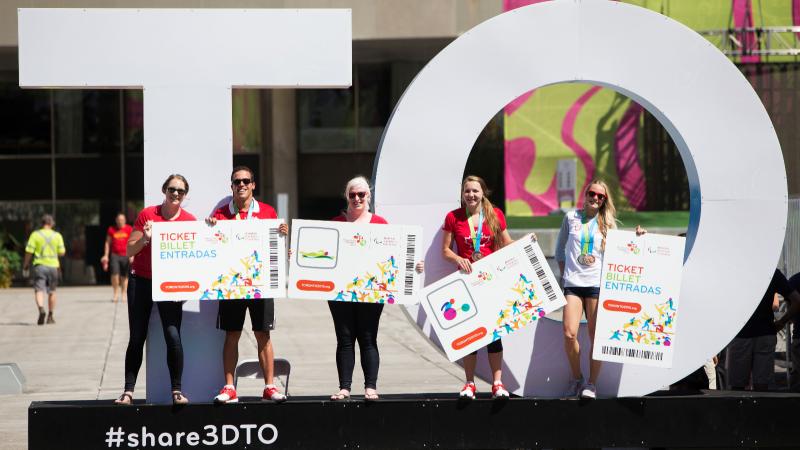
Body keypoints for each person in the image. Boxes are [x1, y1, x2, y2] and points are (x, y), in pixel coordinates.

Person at [328, 175, 424, 401]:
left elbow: (395, 258)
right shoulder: (336, 223)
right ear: (346, 197)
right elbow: (322, 254)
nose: (357, 198)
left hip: (371, 294)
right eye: (352, 195)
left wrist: (414, 265)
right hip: (340, 294)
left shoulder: (380, 224)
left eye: (361, 194)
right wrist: (299, 256)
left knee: (368, 339)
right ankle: (344, 388)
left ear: (368, 196)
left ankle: (370, 387)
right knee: (344, 340)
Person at [555, 180, 644, 399]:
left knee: (597, 338)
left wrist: (638, 237)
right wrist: (566, 275)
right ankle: (578, 379)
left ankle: (591, 385)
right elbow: (559, 250)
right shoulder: (570, 218)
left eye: (600, 196)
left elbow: (624, 250)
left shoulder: (608, 224)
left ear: (604, 200)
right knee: (569, 333)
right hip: (573, 285)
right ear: (585, 194)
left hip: (596, 285)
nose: (595, 198)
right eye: (591, 193)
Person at [114, 174, 195, 405]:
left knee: (173, 336)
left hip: (170, 285)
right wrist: (146, 239)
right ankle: (128, 392)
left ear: (185, 194)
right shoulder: (148, 215)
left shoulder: (190, 221)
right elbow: (130, 250)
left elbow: (197, 257)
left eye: (180, 190)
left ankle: (177, 391)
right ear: (164, 190)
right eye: (172, 189)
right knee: (137, 336)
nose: (176, 194)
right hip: (141, 281)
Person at [211, 166, 288, 404]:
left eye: (246, 181)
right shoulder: (221, 214)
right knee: (231, 333)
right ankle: (229, 387)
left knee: (262, 333)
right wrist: (209, 230)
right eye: (237, 181)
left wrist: (283, 234)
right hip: (232, 285)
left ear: (253, 185)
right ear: (231, 186)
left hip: (261, 283)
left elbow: (276, 246)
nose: (241, 185)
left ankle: (269, 387)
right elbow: (212, 248)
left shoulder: (267, 211)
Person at [441, 175, 513, 400]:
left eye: (475, 191)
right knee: (470, 335)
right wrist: (458, 259)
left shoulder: (495, 215)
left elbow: (506, 244)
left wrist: (527, 243)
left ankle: (497, 384)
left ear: (483, 193)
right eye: (467, 191)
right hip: (466, 284)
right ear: (462, 194)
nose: (471, 195)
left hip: (490, 283)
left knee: (494, 334)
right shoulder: (453, 217)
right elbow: (445, 250)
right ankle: (469, 383)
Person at [728, 269, 800, 391]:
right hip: (765, 333)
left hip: (741, 333)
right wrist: (782, 322)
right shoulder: (772, 271)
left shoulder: (735, 270)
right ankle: (760, 410)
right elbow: (797, 300)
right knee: (762, 385)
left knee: (737, 386)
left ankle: (739, 410)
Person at [22, 214, 66, 325]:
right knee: (52, 291)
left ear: (42, 223)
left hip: (39, 266)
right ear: (52, 224)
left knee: (39, 289)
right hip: (53, 266)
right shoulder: (57, 236)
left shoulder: (35, 235)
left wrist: (25, 264)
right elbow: (62, 252)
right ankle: (50, 316)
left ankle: (41, 309)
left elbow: (29, 252)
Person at [101, 213, 133, 303]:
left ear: (125, 220)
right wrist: (106, 255)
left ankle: (123, 294)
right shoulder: (111, 229)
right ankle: (115, 293)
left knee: (124, 276)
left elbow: (132, 242)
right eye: (119, 220)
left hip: (126, 255)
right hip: (115, 255)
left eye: (122, 220)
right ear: (116, 220)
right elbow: (107, 243)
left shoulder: (129, 229)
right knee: (114, 275)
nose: (120, 221)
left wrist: (132, 255)